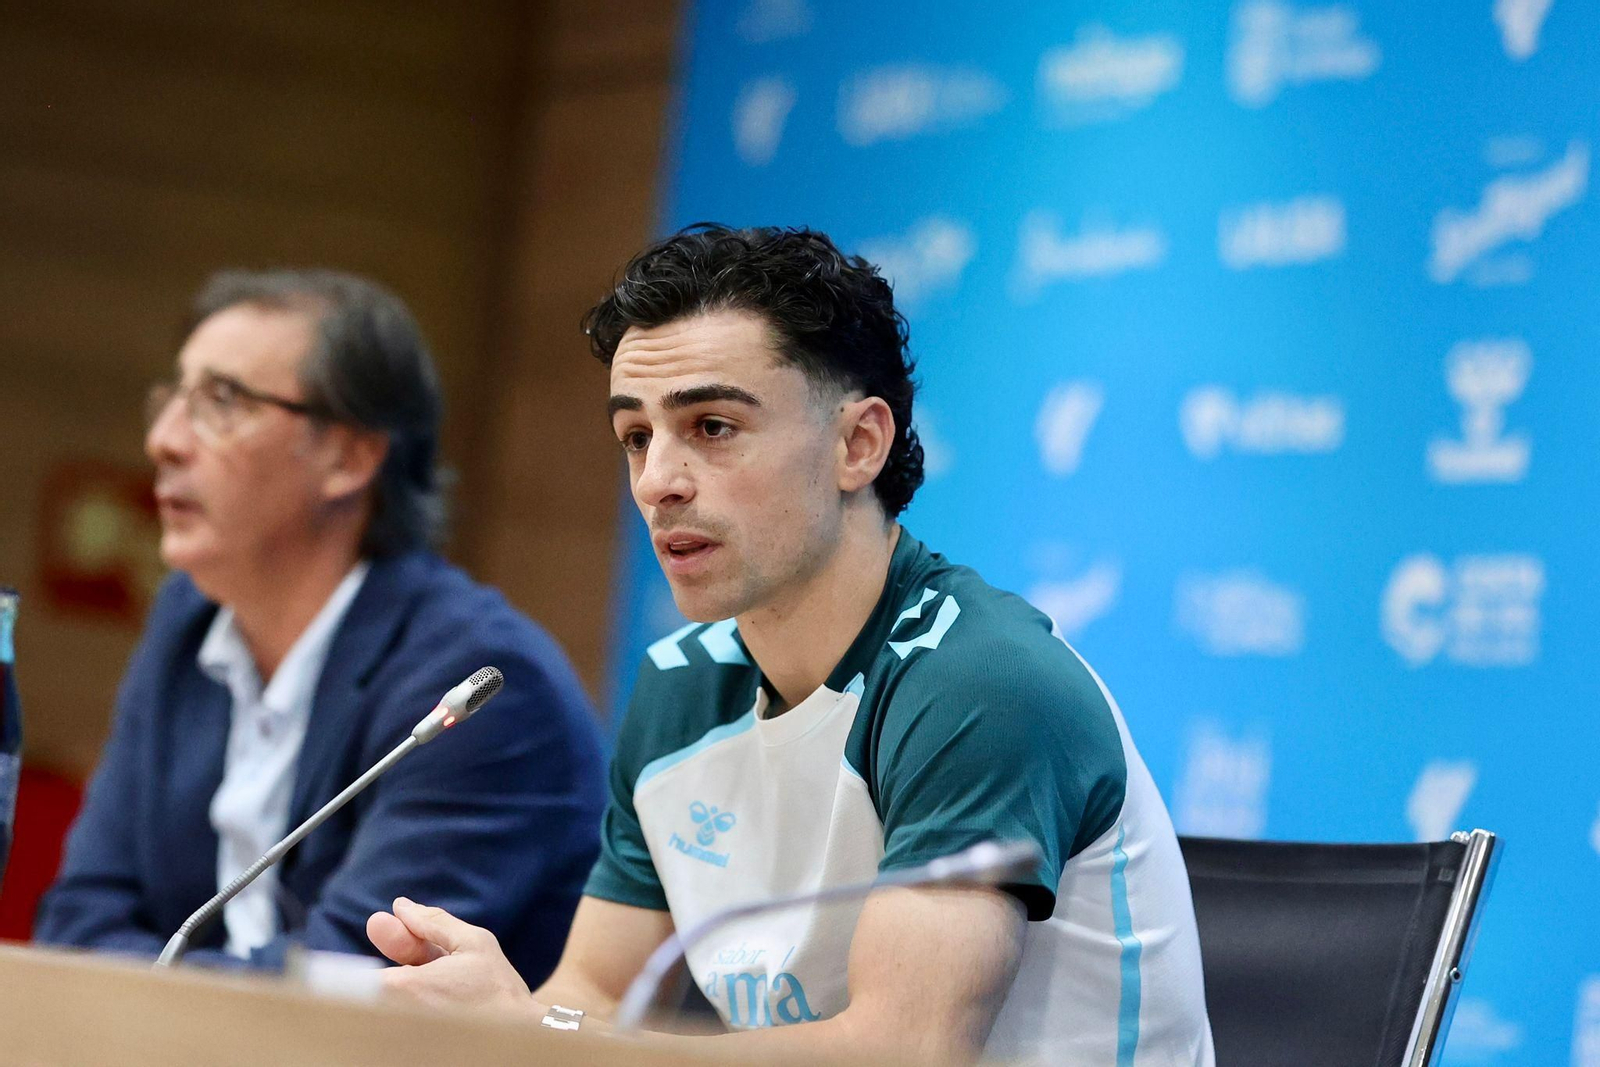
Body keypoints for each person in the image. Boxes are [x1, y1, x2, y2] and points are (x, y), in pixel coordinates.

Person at [368, 227, 1215, 1064]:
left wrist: (539, 1033)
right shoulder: (680, 688)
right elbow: (592, 992)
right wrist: (482, 1030)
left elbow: (901, 1050)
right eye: (636, 436)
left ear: (859, 444)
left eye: (712, 426)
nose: (658, 480)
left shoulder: (979, 681)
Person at [36, 269, 606, 983]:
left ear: (352, 455)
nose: (164, 440)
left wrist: (138, 991)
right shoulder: (192, 616)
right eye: (172, 399)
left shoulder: (480, 687)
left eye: (222, 401)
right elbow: (79, 916)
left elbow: (346, 984)